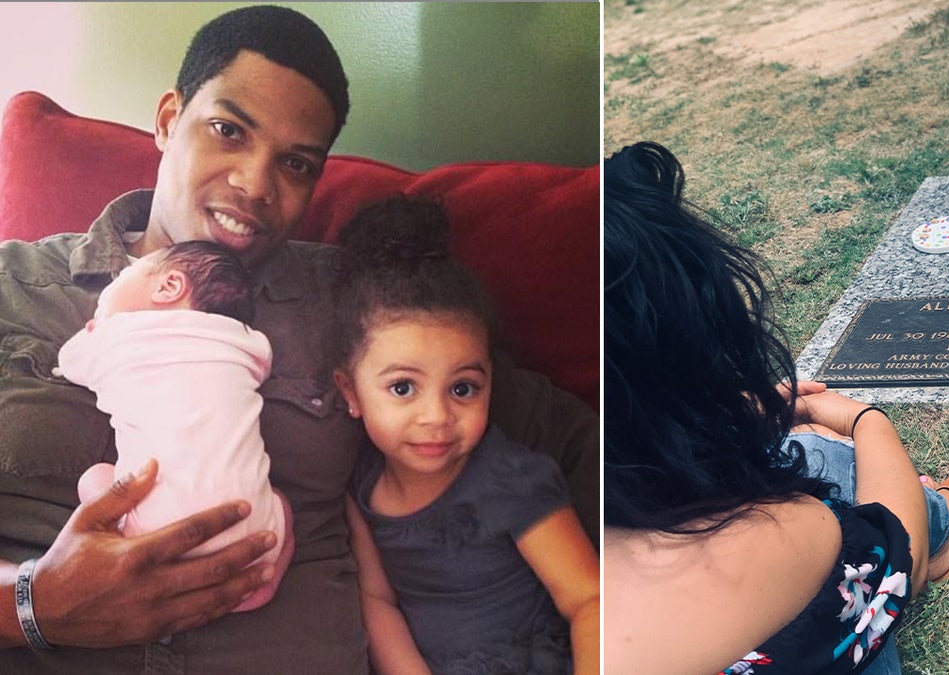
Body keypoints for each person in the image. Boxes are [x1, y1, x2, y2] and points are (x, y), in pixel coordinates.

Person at [0, 7, 597, 672]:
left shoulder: (353, 298)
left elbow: (569, 432)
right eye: (228, 130)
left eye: (296, 163)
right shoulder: (14, 287)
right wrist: (33, 602)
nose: (256, 184)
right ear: (168, 120)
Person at [603, 142, 949, 674]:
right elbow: (896, 552)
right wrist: (866, 421)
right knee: (819, 457)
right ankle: (944, 517)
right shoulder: (784, 537)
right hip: (860, 556)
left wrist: (713, 420)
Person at [332, 197, 600, 675]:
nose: (436, 416)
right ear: (349, 390)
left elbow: (588, 600)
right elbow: (376, 599)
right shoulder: (357, 481)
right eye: (402, 388)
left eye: (463, 389)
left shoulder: (513, 480)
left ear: (491, 383)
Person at [59, 240, 293, 613]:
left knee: (96, 478)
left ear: (168, 287)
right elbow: (259, 369)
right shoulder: (248, 343)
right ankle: (261, 586)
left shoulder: (116, 336)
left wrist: (95, 331)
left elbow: (69, 361)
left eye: (123, 276)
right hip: (252, 527)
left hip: (148, 537)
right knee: (281, 502)